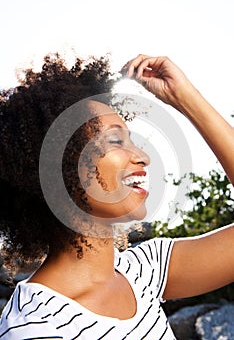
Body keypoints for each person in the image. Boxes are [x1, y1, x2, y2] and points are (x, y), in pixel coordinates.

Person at [0, 53, 233, 340]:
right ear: (60, 166)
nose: (143, 157)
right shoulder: (36, 327)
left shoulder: (143, 272)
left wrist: (185, 98)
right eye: (115, 141)